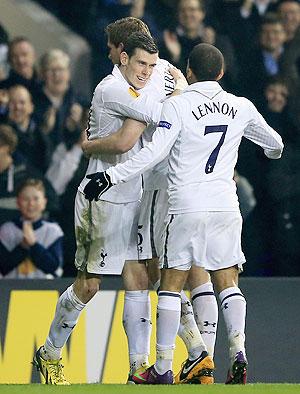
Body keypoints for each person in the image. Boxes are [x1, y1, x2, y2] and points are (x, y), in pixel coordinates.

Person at [84, 43, 284, 384]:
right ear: (221, 73)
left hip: (186, 204)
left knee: (171, 284)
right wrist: (262, 147)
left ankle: (162, 367)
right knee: (227, 281)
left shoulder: (178, 106)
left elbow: (152, 153)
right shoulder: (241, 106)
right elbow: (275, 144)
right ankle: (238, 352)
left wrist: (111, 176)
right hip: (225, 204)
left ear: (189, 72)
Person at [32, 31, 175, 385]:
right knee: (89, 285)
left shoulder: (140, 83)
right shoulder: (110, 89)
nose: (146, 71)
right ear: (123, 58)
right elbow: (158, 114)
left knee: (140, 277)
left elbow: (170, 82)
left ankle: (137, 368)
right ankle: (49, 352)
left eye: (151, 65)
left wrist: (171, 78)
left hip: (134, 196)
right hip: (102, 199)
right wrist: (172, 88)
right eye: (141, 63)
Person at [82, 16, 216, 384]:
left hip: (154, 183)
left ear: (123, 51)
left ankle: (168, 360)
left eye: (113, 50)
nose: (112, 57)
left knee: (145, 273)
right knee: (154, 270)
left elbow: (128, 138)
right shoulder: (170, 71)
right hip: (177, 182)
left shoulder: (133, 83)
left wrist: (89, 144)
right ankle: (190, 355)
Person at [0, 178, 64, 278]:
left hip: (45, 290)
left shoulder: (53, 231)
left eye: (36, 199)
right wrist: (23, 246)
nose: (31, 204)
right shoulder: (7, 230)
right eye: (26, 199)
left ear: (44, 202)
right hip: (11, 290)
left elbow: (53, 267)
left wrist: (34, 245)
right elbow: (3, 267)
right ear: (18, 203)